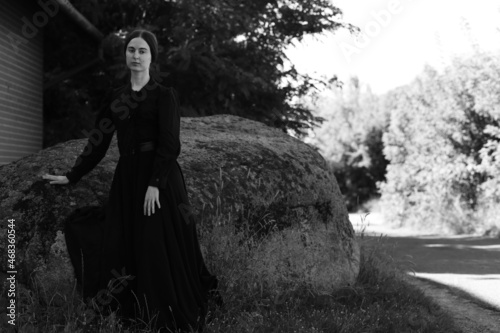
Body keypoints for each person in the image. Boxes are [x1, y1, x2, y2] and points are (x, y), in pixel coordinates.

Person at [42, 29, 220, 332]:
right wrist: (72, 175)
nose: (136, 56)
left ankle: (163, 313)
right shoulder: (116, 97)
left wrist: (155, 184)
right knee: (123, 242)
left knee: (155, 245)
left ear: (152, 57)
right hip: (128, 179)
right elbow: (97, 143)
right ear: (126, 55)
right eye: (131, 50)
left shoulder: (164, 95)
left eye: (142, 51)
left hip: (160, 180)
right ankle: (136, 311)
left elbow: (169, 144)